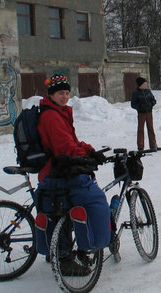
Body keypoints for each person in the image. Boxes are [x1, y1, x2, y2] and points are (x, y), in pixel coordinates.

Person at [36, 74, 110, 274]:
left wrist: (89, 150)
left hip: (57, 169)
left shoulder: (59, 113)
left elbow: (73, 142)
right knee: (94, 200)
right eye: (60, 93)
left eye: (67, 93)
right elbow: (64, 148)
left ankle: (58, 248)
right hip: (56, 172)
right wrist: (87, 157)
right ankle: (69, 253)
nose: (65, 97)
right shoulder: (51, 116)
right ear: (51, 94)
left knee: (65, 207)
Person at [130, 76, 159, 151]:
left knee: (151, 128)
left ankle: (153, 145)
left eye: (146, 84)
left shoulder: (148, 91)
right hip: (141, 113)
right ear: (140, 85)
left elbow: (154, 100)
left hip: (149, 112)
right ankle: (140, 146)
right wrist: (139, 107)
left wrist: (151, 104)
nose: (146, 85)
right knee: (140, 130)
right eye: (144, 84)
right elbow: (133, 104)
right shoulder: (136, 93)